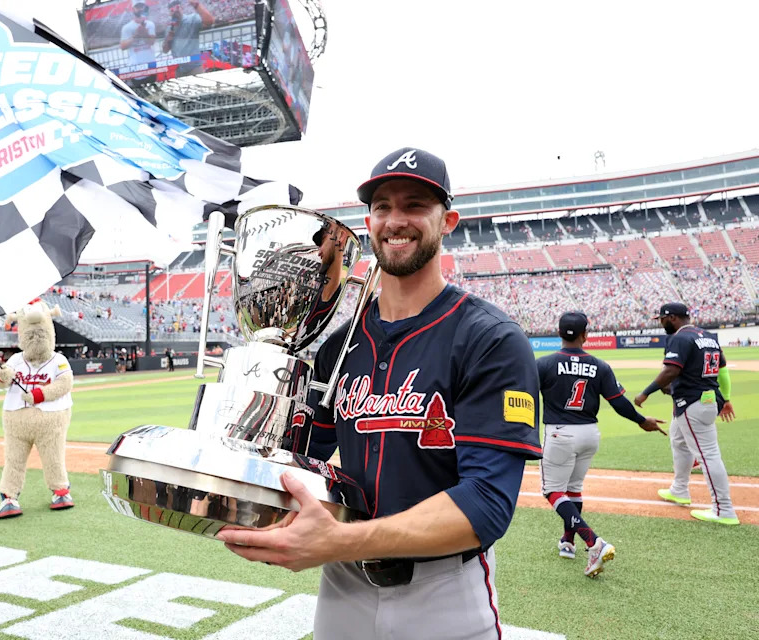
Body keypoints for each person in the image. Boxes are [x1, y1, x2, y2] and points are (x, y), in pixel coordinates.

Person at [216, 148, 543, 639]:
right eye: (382, 206)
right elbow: (302, 465)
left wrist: (339, 541)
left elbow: (486, 504)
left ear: (447, 220)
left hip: (443, 591)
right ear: (368, 221)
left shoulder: (491, 339)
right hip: (343, 588)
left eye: (414, 205)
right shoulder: (338, 346)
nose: (396, 220)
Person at [537, 311, 666, 577]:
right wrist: (642, 420)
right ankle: (567, 542)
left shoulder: (544, 364)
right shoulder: (599, 365)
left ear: (558, 332)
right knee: (573, 489)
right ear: (586, 335)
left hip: (560, 433)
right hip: (590, 433)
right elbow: (618, 403)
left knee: (552, 491)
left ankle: (593, 542)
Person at [635, 302, 739, 526]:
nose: (660, 323)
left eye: (661, 319)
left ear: (671, 317)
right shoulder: (708, 336)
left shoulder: (680, 338)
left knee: (708, 455)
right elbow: (722, 369)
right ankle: (679, 489)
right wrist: (727, 398)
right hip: (703, 399)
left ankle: (724, 509)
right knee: (679, 441)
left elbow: (671, 370)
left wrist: (645, 393)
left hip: (693, 402)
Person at [162, 0, 214, 75]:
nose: (175, 11)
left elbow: (209, 21)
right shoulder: (169, 28)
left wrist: (196, 5)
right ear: (170, 13)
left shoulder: (192, 19)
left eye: (177, 7)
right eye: (172, 10)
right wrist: (168, 39)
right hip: (179, 69)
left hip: (195, 67)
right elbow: (165, 50)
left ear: (182, 8)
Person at [120, 2, 157, 77]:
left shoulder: (150, 24)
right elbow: (122, 46)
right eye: (137, 7)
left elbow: (152, 42)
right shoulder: (127, 27)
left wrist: (144, 34)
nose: (140, 9)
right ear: (133, 9)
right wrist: (135, 36)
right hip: (135, 68)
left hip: (151, 66)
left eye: (141, 6)